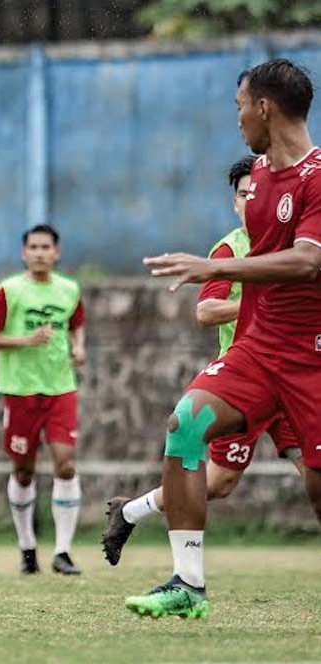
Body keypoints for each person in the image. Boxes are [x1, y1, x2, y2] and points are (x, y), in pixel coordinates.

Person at [131, 58, 321, 619]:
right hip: (259, 351)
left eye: (240, 106)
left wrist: (216, 271)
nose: (237, 119)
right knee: (185, 426)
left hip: (313, 357)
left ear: (264, 107)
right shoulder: (258, 180)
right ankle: (187, 585)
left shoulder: (320, 177)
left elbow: (308, 263)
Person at [102, 156, 306, 566]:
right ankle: (131, 513)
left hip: (294, 377)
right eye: (244, 195)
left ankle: (130, 512)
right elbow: (206, 311)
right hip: (247, 382)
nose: (251, 201)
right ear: (235, 203)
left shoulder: (296, 246)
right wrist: (258, 302)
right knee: (217, 483)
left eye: (258, 193)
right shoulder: (231, 249)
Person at [0, 223, 86, 576]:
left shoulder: (69, 290)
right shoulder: (9, 291)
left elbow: (76, 322)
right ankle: (28, 548)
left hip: (60, 388)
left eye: (46, 247)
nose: (40, 253)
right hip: (20, 391)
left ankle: (63, 551)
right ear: (24, 253)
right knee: (24, 471)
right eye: (34, 247)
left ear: (57, 253)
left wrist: (79, 347)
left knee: (65, 464)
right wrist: (25, 340)